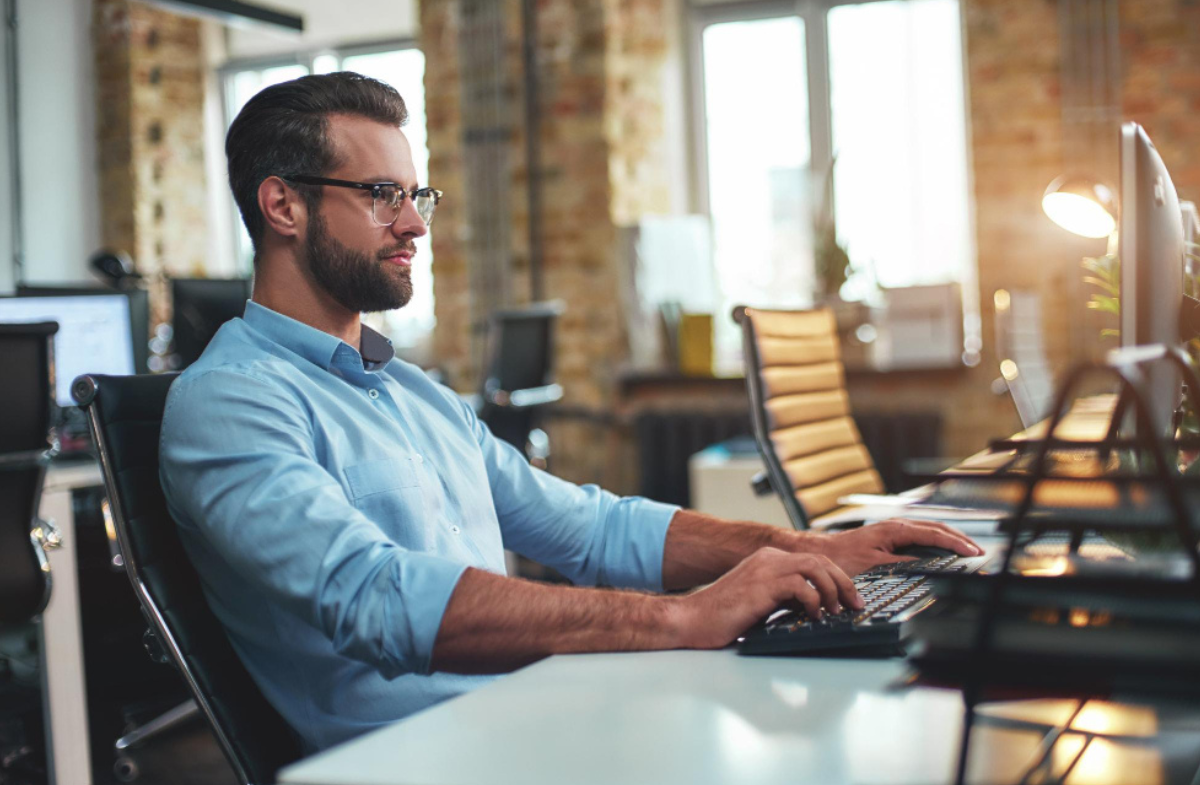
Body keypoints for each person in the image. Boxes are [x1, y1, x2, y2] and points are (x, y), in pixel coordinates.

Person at [159, 72, 981, 752]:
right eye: (382, 195)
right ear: (284, 207)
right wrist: (688, 619)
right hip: (430, 756)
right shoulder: (230, 402)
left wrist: (802, 549)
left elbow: (592, 530)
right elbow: (376, 596)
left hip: (534, 719)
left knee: (878, 716)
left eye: (417, 196)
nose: (414, 224)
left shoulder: (412, 394)